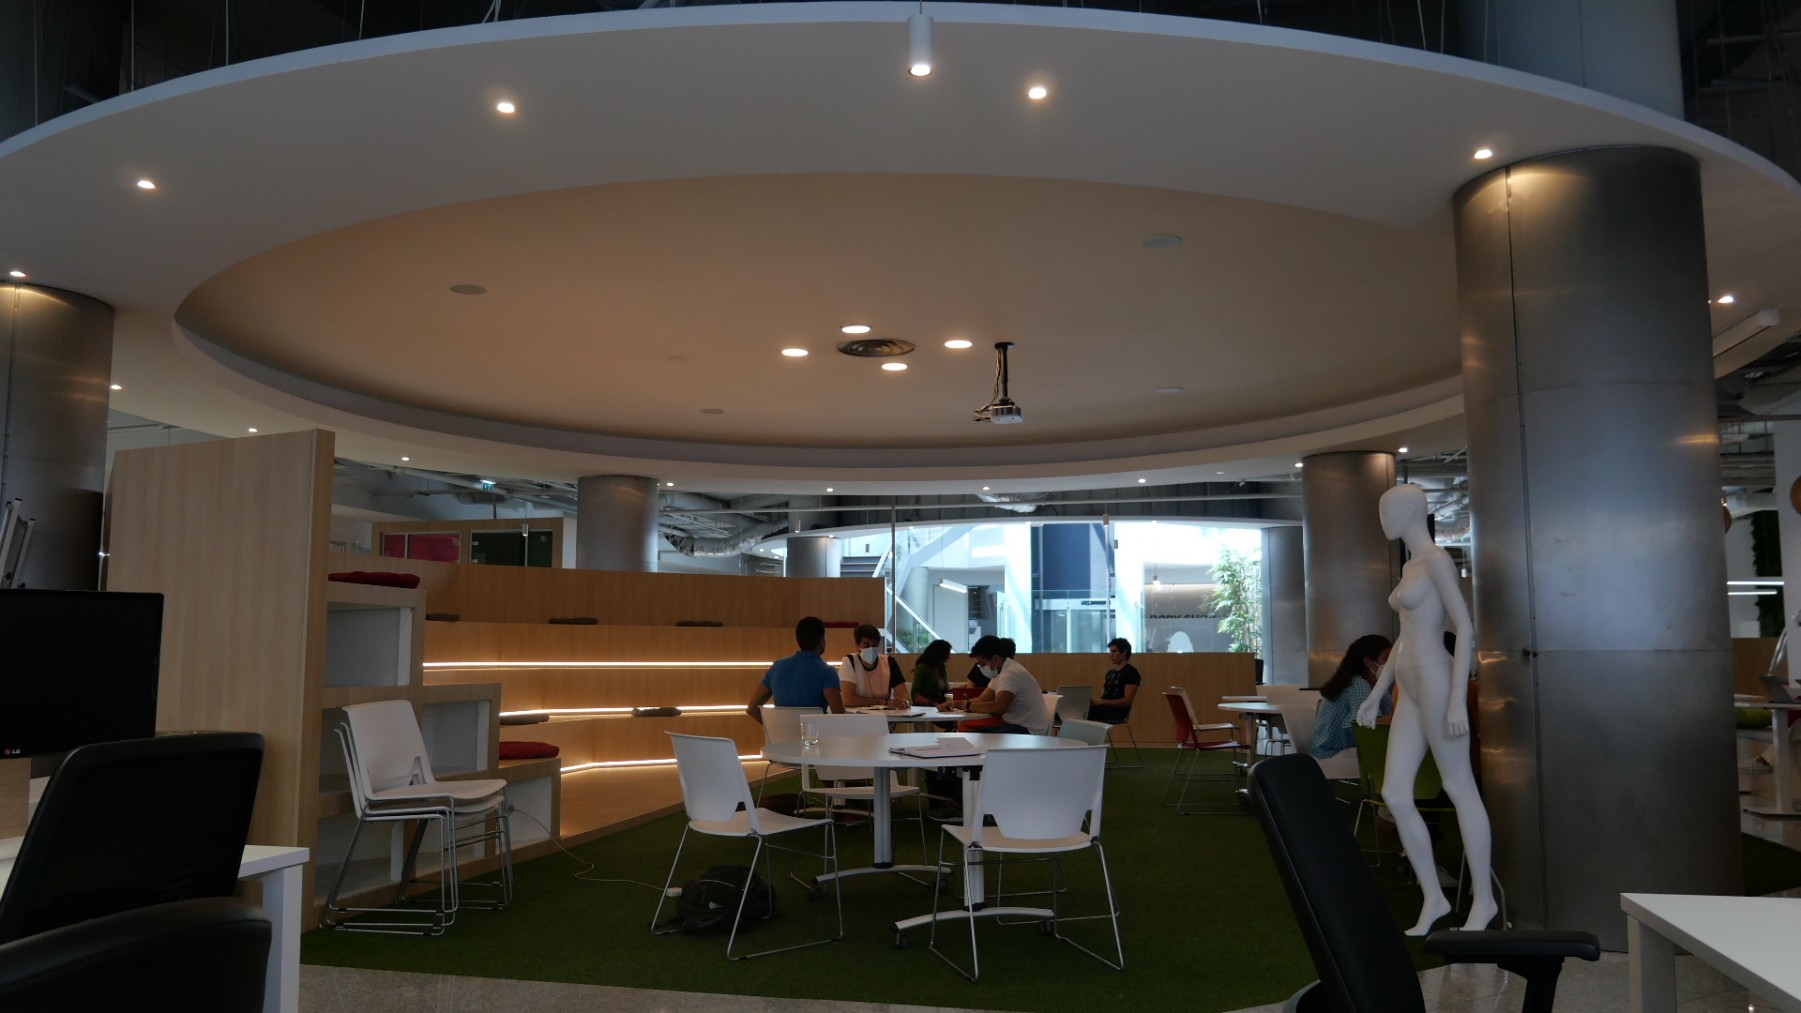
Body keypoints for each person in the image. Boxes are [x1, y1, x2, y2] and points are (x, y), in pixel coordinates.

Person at [1356, 482, 1494, 936]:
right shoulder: (1411, 565)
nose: (1383, 518)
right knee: (1396, 793)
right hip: (1410, 684)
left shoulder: (1436, 560)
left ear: (1414, 511)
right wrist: (1378, 691)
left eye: (1389, 509)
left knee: (1459, 785)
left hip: (1437, 676)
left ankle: (1484, 900)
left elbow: (1465, 626)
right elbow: (1404, 635)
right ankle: (1434, 896)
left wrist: (1457, 695)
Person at [944, 635, 1050, 735]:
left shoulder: (1010, 673)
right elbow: (981, 700)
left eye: (982, 664)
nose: (981, 668)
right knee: (973, 737)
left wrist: (967, 705)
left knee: (975, 739)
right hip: (1016, 726)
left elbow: (998, 707)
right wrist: (955, 704)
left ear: (995, 659)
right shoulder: (999, 672)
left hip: (1029, 731)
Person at [1308, 634, 1392, 758]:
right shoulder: (1357, 683)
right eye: (1387, 659)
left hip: (1338, 752)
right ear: (1368, 662)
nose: (1392, 664)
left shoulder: (1376, 686)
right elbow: (1367, 725)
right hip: (1330, 755)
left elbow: (1392, 711)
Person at [745, 616, 844, 722]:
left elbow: (752, 709)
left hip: (781, 733)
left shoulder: (776, 667)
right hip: (814, 733)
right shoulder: (827, 672)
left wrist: (772, 727)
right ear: (822, 641)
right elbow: (839, 716)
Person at [840, 623, 907, 708]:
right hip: (857, 715)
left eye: (875, 645)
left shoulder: (889, 662)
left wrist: (904, 702)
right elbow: (847, 700)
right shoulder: (849, 662)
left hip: (884, 714)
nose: (871, 649)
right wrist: (881, 702)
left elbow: (904, 695)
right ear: (857, 646)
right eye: (866, 645)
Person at [1087, 637, 1141, 723]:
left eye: (1114, 651)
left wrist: (1102, 702)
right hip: (1103, 709)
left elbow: (1127, 701)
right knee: (1079, 709)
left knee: (1083, 713)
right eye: (1110, 651)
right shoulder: (1110, 673)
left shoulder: (1131, 672)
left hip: (1116, 712)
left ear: (1124, 652)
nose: (1111, 655)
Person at [911, 639, 952, 706]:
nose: (948, 657)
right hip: (923, 709)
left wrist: (959, 689)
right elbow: (915, 695)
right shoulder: (922, 668)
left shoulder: (941, 669)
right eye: (947, 655)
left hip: (940, 708)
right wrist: (934, 704)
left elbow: (944, 692)